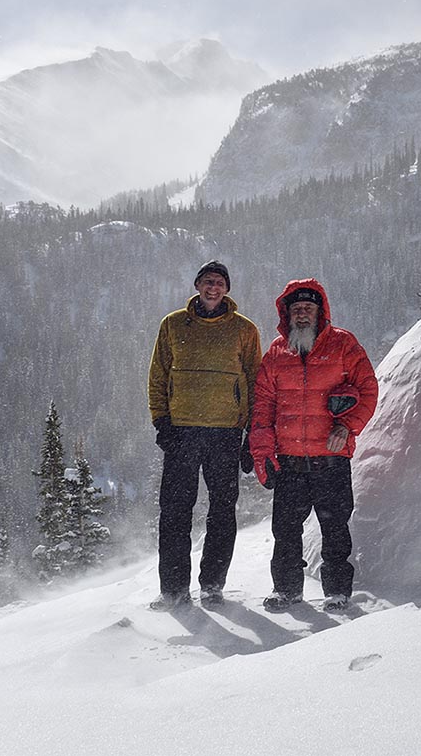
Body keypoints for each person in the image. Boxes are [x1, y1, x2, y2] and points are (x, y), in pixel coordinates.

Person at [249, 279, 379, 612]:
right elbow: (262, 406)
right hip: (289, 461)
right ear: (287, 314)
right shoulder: (276, 353)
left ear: (320, 312)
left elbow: (368, 390)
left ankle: (337, 592)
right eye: (296, 309)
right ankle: (286, 590)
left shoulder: (344, 344)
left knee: (335, 529)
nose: (302, 314)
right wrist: (262, 453)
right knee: (285, 531)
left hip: (331, 460)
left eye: (308, 308)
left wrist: (348, 426)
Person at [147, 260, 262, 610]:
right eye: (208, 281)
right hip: (181, 432)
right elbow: (158, 375)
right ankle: (173, 590)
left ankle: (212, 585)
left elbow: (256, 381)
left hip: (226, 433)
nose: (213, 288)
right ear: (197, 285)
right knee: (174, 511)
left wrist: (252, 433)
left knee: (222, 511)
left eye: (219, 283)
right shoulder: (172, 324)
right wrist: (161, 421)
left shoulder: (244, 330)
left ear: (227, 289)